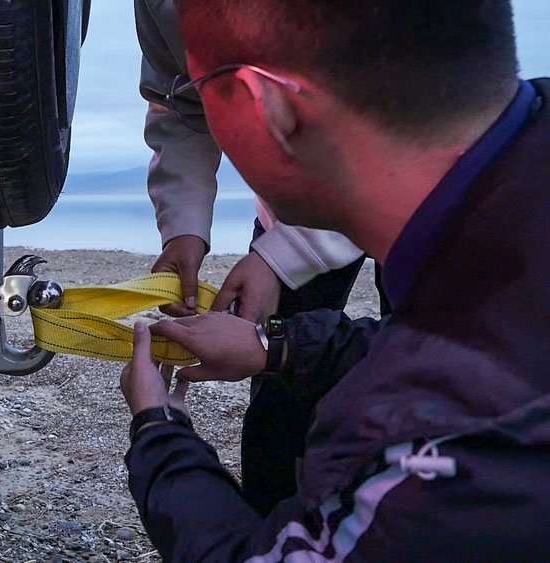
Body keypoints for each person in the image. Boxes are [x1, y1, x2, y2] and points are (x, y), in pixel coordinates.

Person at [121, 1, 550, 560]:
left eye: (207, 90)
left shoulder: (429, 448)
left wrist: (159, 434)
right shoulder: (487, 308)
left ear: (266, 108)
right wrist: (274, 348)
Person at [136, 0, 388, 515]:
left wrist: (283, 257)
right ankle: (274, 522)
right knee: (280, 397)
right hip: (290, 207)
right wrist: (184, 228)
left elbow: (395, 117)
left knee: (429, 361)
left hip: (425, 184)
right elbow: (179, 105)